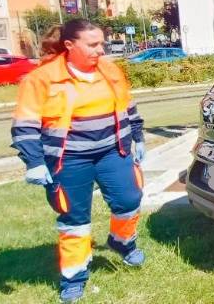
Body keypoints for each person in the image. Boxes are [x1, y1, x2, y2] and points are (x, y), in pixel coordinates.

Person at [11, 19, 146, 303]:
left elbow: (128, 106)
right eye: (93, 44)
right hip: (68, 159)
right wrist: (34, 161)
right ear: (70, 45)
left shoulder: (110, 71)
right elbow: (25, 124)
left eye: (102, 44)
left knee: (129, 199)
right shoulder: (42, 78)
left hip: (113, 151)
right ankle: (74, 277)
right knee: (74, 218)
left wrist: (138, 137)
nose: (101, 50)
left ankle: (122, 242)